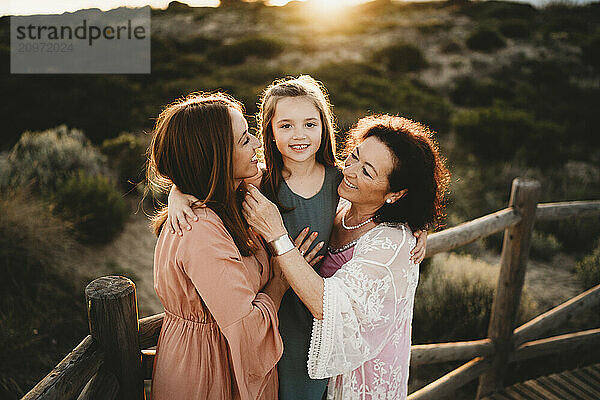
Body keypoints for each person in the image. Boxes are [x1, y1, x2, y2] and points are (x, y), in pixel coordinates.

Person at [167, 76, 428, 399]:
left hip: (316, 322)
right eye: (286, 126)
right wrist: (177, 193)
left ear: (324, 127)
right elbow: (210, 173)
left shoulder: (338, 181)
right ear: (270, 132)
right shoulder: (260, 182)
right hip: (274, 314)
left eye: (310, 124)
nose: (299, 135)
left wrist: (417, 226)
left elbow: (386, 203)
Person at [241, 114, 450, 399]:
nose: (349, 170)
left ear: (396, 193)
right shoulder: (340, 200)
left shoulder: (393, 242)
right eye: (354, 156)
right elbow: (253, 173)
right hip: (310, 371)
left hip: (358, 381)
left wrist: (278, 236)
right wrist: (180, 192)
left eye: (367, 172)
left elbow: (330, 308)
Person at [147, 92, 288, 400]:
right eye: (244, 140)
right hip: (207, 375)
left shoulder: (236, 194)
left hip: (221, 358)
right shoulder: (201, 232)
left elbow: (314, 176)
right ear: (217, 158)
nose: (257, 146)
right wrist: (280, 280)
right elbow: (248, 333)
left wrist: (406, 221)